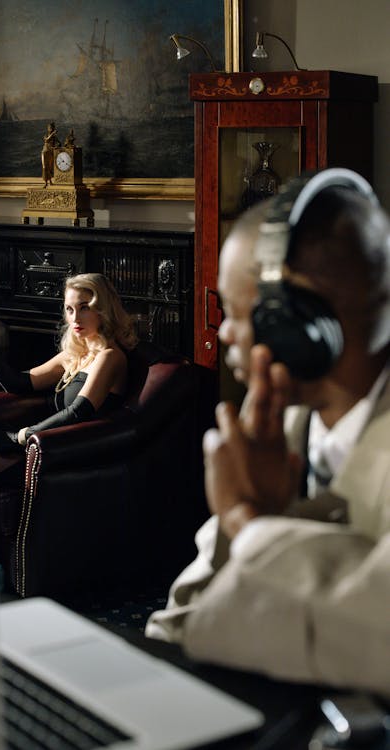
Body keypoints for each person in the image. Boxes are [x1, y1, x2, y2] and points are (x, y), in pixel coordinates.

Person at [145, 169, 390, 700]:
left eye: (235, 313)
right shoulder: (287, 424)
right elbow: (178, 628)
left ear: (296, 323)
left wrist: (247, 520)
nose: (224, 334)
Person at [0, 272, 138, 484]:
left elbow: (78, 411)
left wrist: (23, 436)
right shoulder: (76, 353)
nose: (75, 318)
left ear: (103, 309)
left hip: (65, 451)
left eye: (84, 307)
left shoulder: (110, 356)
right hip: (39, 440)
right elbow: (19, 384)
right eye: (69, 309)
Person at [41, 122, 58, 187]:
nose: (51, 129)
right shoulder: (46, 135)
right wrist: (53, 134)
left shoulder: (54, 137)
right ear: (48, 129)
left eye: (52, 128)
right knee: (45, 167)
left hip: (51, 153)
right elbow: (46, 140)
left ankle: (50, 181)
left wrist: (56, 146)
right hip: (45, 152)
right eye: (50, 128)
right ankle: (45, 183)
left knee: (50, 167)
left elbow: (58, 143)